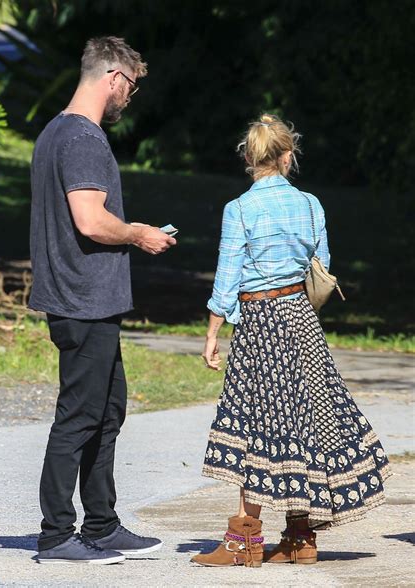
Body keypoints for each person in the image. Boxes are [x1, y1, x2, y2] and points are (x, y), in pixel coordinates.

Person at [191, 114, 391, 568]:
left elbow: (227, 278)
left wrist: (212, 332)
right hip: (301, 317)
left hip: (260, 319)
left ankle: (244, 540)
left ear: (248, 158)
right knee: (305, 422)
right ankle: (301, 537)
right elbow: (321, 264)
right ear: (287, 156)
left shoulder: (239, 209)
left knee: (258, 425)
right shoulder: (310, 204)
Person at [28, 36, 176, 565]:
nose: (128, 99)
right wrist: (138, 233)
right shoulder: (83, 138)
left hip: (87, 300)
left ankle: (103, 524)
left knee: (107, 411)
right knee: (80, 414)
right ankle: (55, 534)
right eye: (131, 88)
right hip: (82, 299)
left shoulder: (53, 133)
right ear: (113, 77)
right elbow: (89, 220)